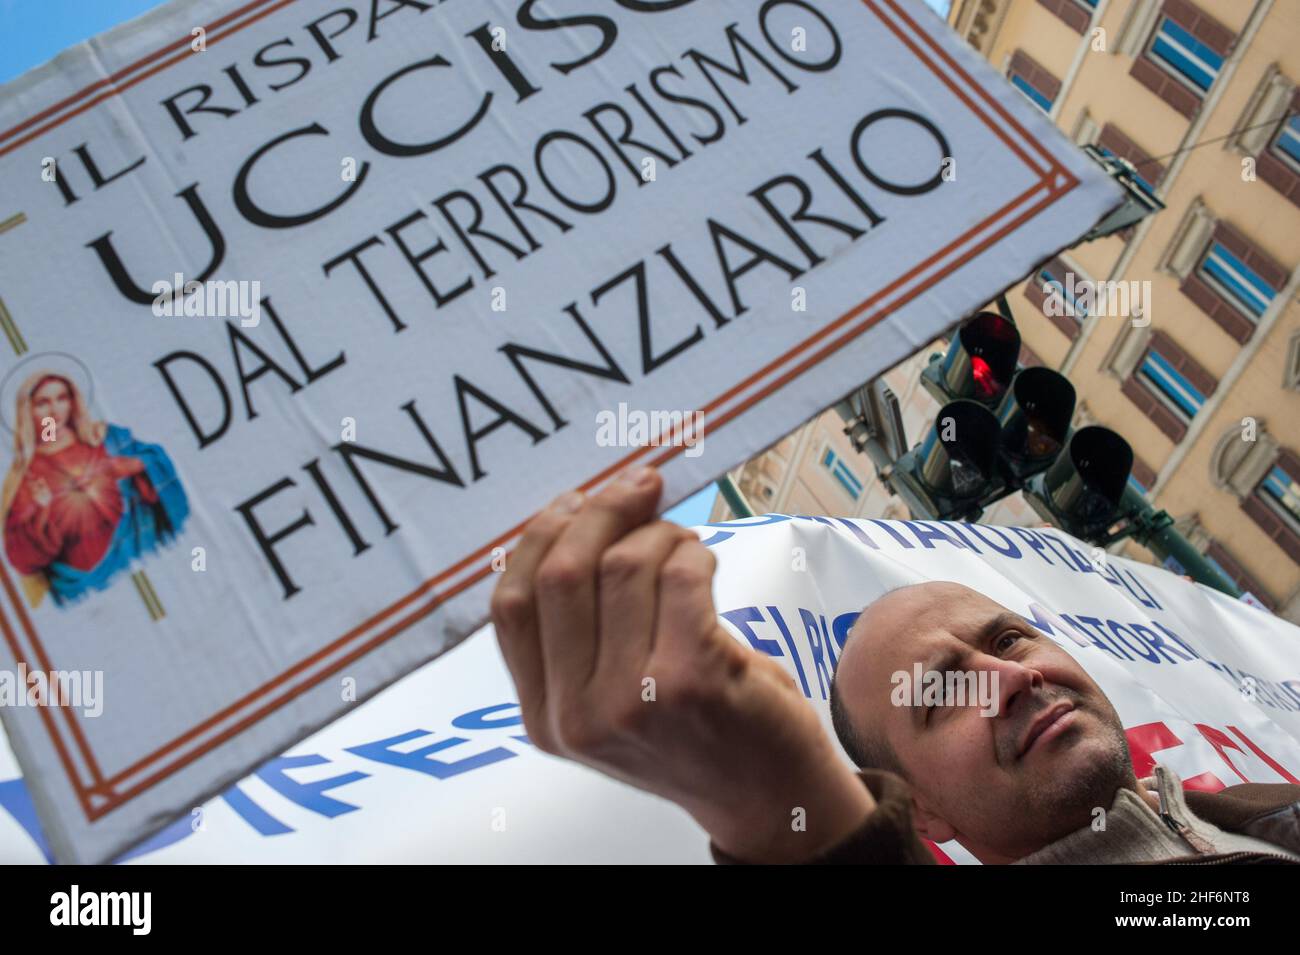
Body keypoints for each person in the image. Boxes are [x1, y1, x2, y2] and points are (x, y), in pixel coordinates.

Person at [490, 466, 1300, 864]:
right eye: (943, 693)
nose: (1011, 677)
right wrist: (782, 803)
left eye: (1010, 640)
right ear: (922, 819)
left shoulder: (1262, 812)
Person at [2, 370, 188, 607]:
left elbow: (155, 460)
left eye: (61, 398)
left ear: (73, 400)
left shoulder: (106, 438)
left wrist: (129, 466)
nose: (54, 410)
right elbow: (22, 557)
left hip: (145, 549)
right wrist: (42, 510)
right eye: (42, 403)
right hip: (86, 587)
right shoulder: (26, 477)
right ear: (27, 411)